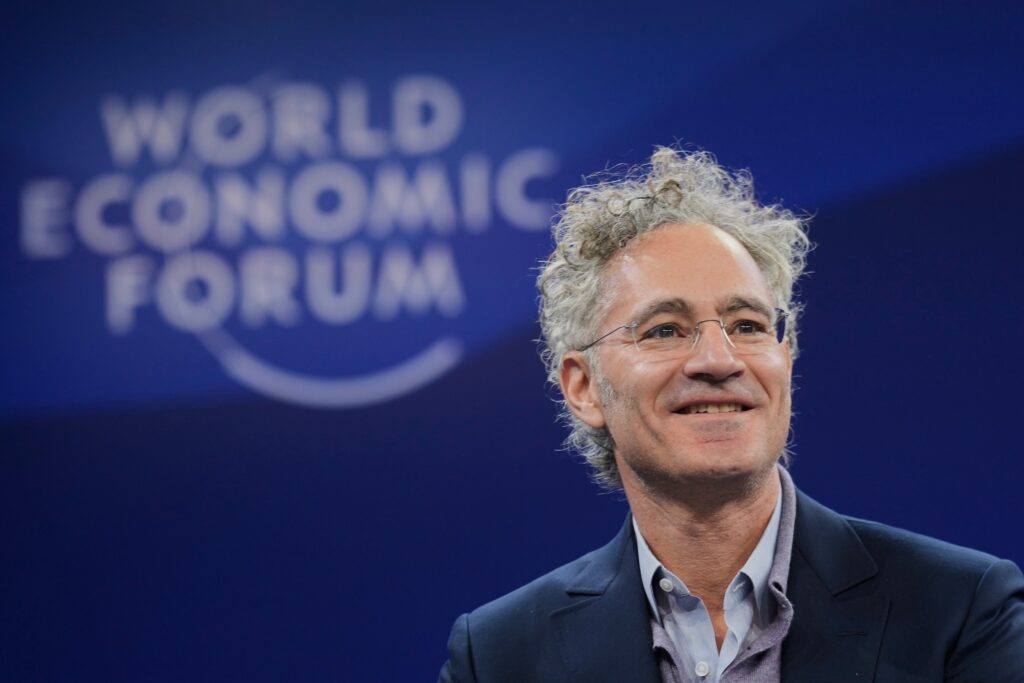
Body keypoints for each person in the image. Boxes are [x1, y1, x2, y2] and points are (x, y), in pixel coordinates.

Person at [438, 147, 1024, 682]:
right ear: (584, 386)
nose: (718, 360)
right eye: (664, 330)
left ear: (784, 359)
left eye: (747, 326)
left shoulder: (961, 611)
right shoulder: (498, 657)